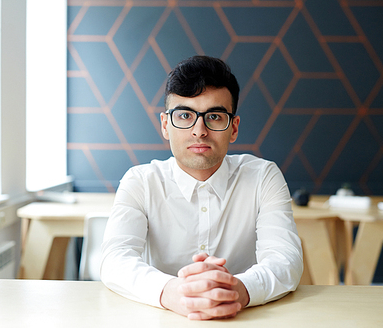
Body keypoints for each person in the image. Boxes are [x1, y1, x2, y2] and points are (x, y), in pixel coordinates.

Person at [100, 55, 303, 320]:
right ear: (165, 124)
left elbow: (285, 259)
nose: (199, 130)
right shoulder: (140, 181)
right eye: (184, 115)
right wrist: (174, 292)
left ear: (233, 128)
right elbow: (115, 260)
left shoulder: (263, 177)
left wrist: (237, 290)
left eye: (215, 116)